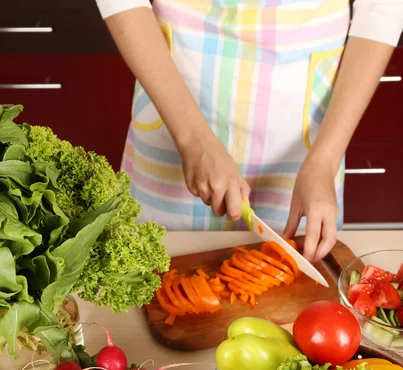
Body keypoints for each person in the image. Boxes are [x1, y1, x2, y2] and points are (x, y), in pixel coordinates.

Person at [95, 0, 403, 262]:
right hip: (176, 102)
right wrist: (191, 138)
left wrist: (324, 161)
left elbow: (383, 6)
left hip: (304, 139)